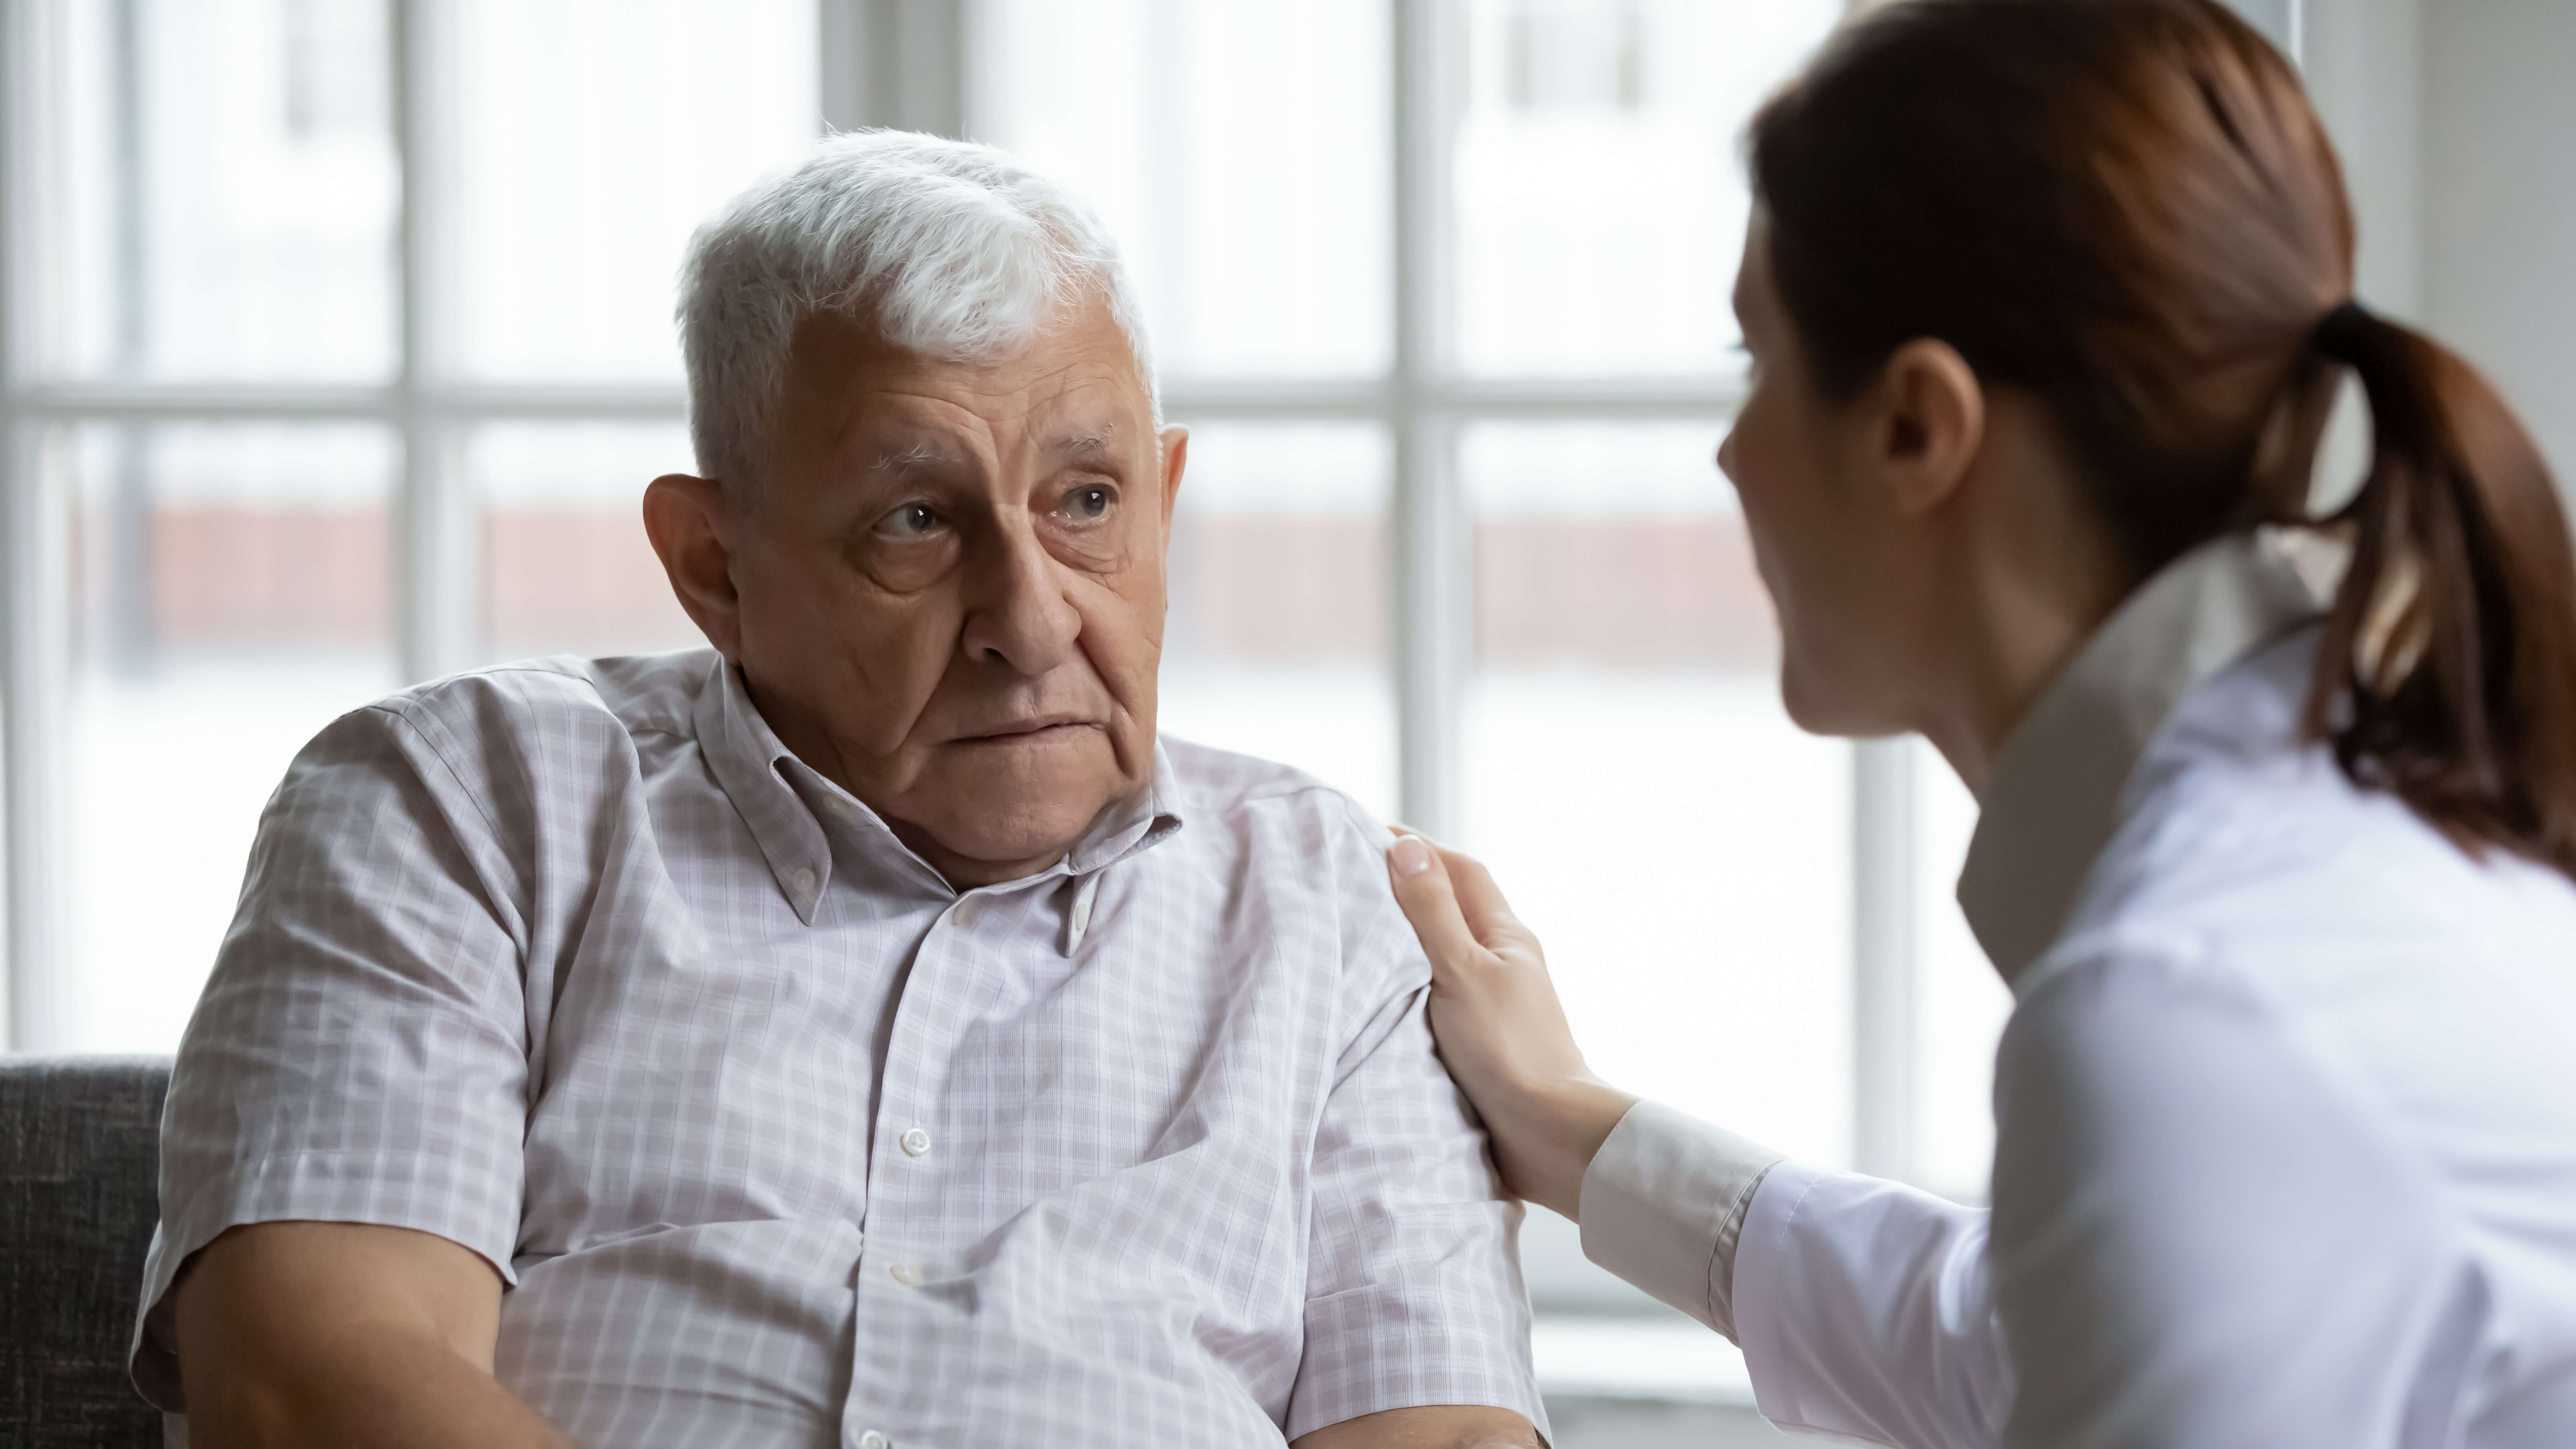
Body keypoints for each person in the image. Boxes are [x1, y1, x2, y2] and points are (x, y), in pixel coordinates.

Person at [130, 132, 1547, 1449]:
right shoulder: (461, 807)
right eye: (917, 521)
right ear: (714, 567)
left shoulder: (1334, 910)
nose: (1032, 622)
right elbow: (305, 1383)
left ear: (1161, 501)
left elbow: (1444, 1435)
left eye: (1086, 502)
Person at [1384, 2, 2576, 1445]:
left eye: (1754, 364)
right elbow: (2010, 1342)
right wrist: (1568, 1125)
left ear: (1914, 427)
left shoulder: (2190, 1006)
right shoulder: (2351, 829)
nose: (1729, 454)